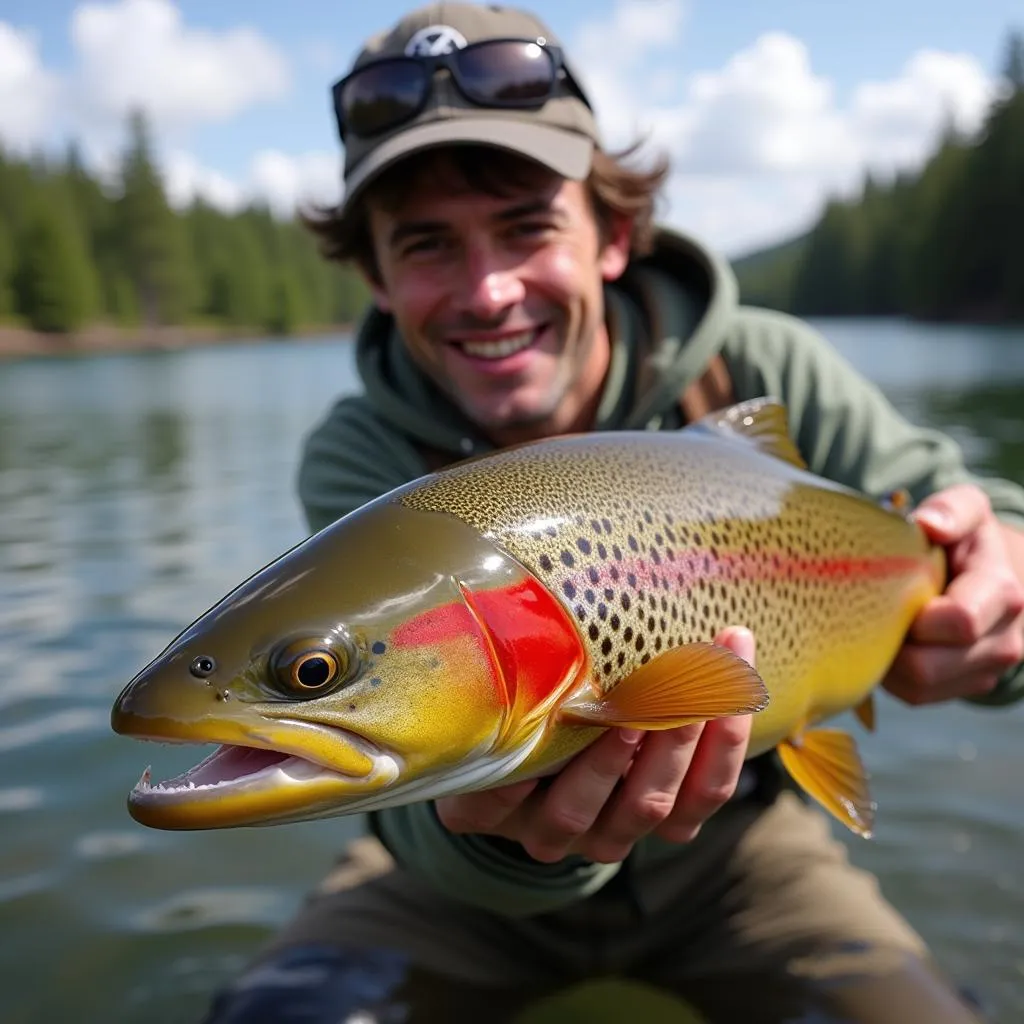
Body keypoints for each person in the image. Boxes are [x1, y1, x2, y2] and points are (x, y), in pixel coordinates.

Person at [203, 4, 1024, 1022]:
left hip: (743, 858)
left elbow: (971, 516)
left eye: (525, 226)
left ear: (613, 234)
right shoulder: (361, 455)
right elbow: (409, 795)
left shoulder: (765, 366)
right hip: (446, 882)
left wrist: (999, 591)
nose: (488, 289)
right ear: (374, 276)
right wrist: (500, 836)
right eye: (426, 245)